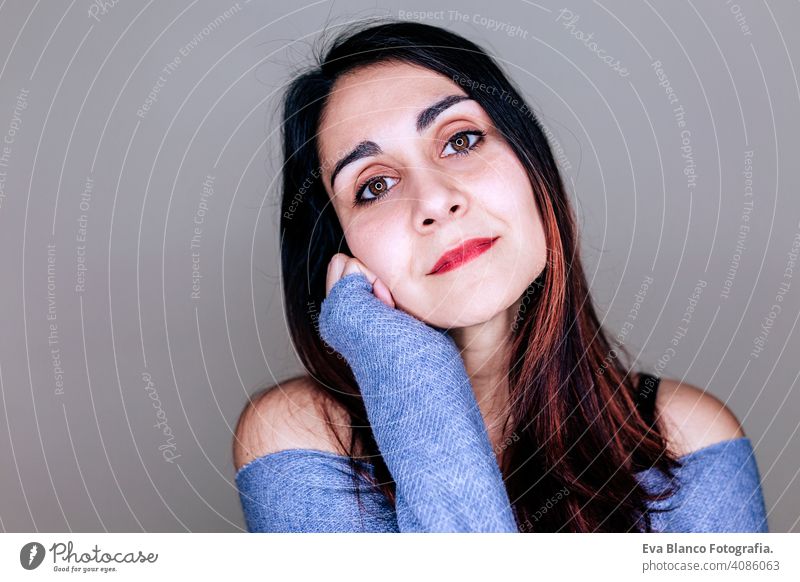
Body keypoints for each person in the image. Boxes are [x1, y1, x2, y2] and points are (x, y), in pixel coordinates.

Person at [232, 20, 768, 532]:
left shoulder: (687, 438)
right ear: (341, 251)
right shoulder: (301, 434)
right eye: (374, 186)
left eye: (460, 140)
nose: (437, 201)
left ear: (532, 166)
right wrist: (409, 368)